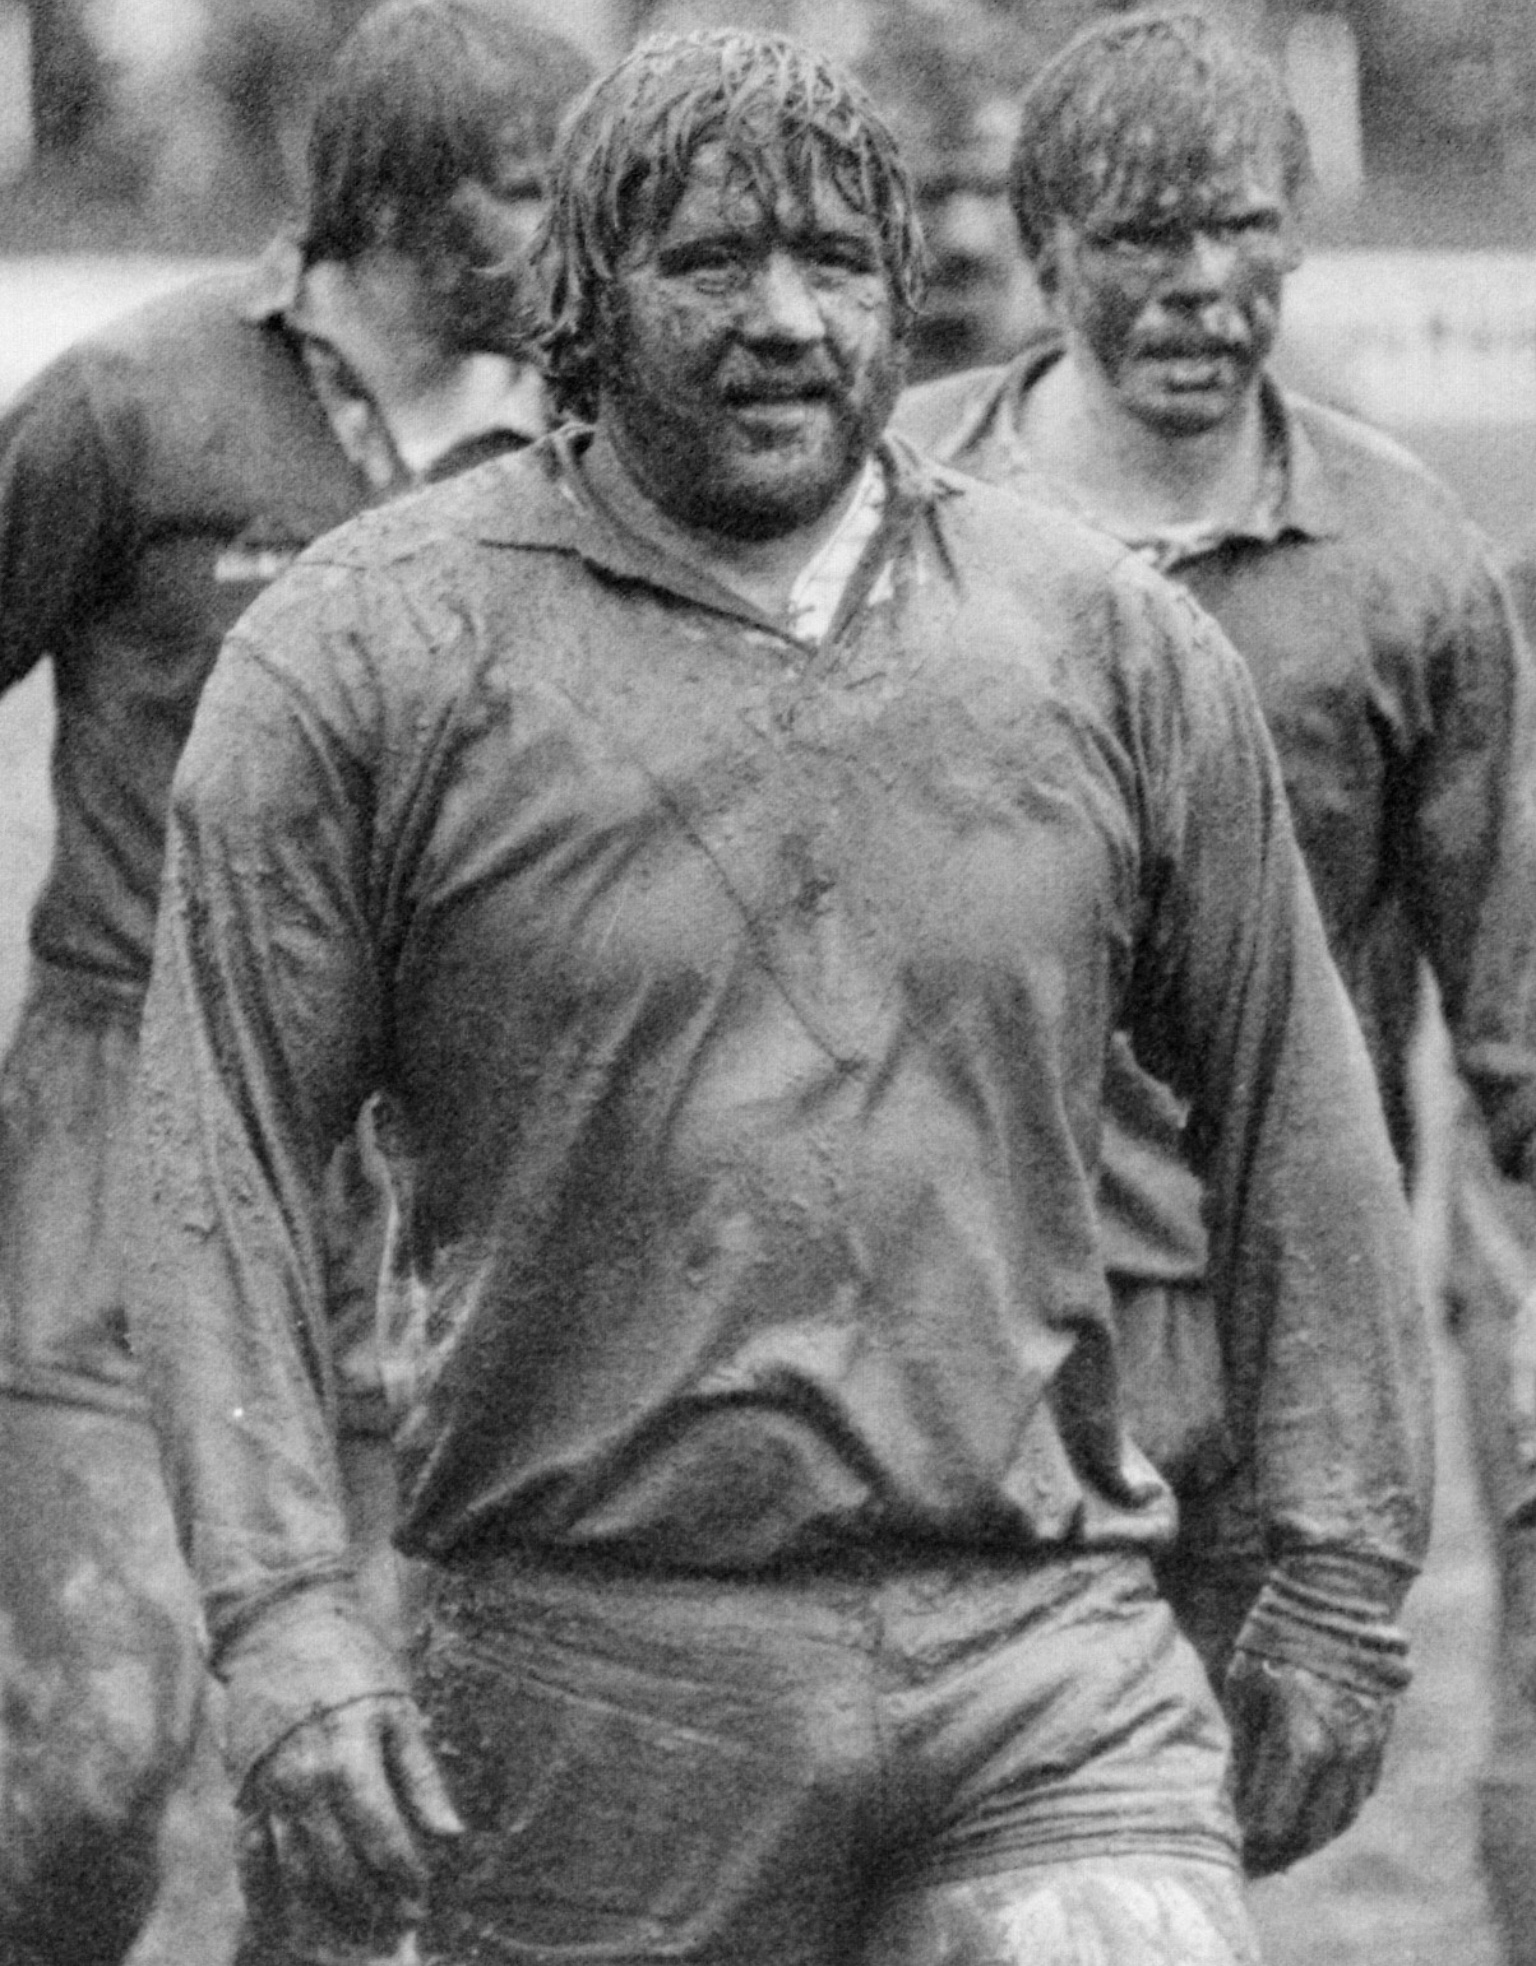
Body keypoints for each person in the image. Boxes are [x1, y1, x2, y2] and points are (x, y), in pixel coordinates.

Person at [127, 27, 1429, 1965]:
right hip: (587, 1668)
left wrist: (1341, 1559)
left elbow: (1296, 1104)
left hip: (1041, 1647)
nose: (788, 322)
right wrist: (283, 1608)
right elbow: (212, 1152)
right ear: (586, 296)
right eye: (711, 263)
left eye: (837, 264)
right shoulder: (369, 649)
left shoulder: (1103, 640)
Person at [895, 0, 1536, 1918]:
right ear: (1044, 249)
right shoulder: (893, 509)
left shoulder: (1407, 564)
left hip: (1264, 1344)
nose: (1201, 288)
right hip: (940, 1309)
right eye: (1143, 238)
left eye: (1244, 229)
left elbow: (1513, 1010)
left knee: (1172, 1872)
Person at [0, 5, 591, 1962]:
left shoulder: (576, 447)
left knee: (366, 1806)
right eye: (528, 192)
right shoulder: (133, 405)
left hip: (429, 1173)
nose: (570, 238)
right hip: (125, 1128)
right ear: (397, 201)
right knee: (92, 1760)